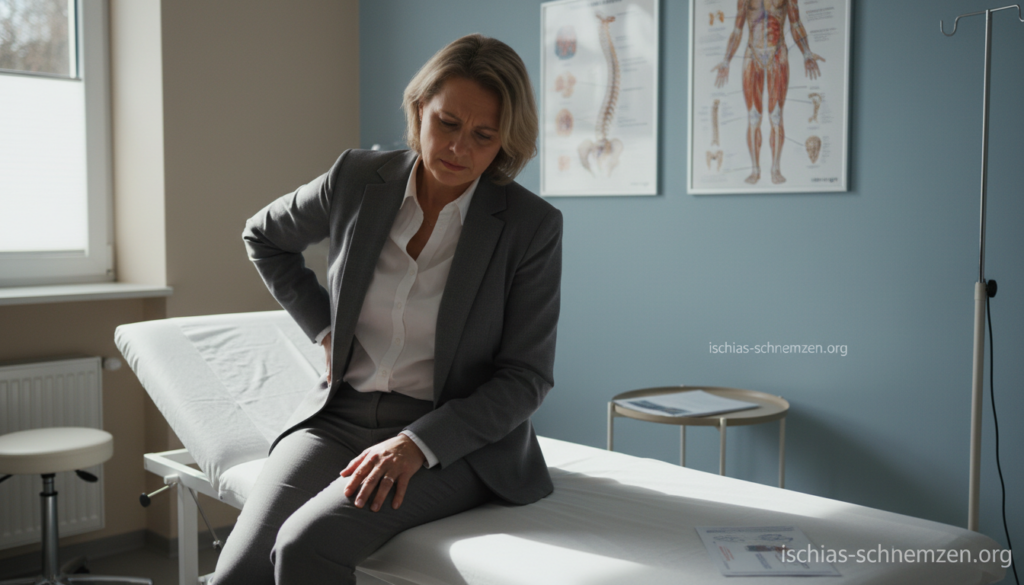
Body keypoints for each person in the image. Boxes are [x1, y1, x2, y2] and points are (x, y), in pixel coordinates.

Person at [213, 34, 562, 584]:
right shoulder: (356, 179)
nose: (459, 148)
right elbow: (264, 236)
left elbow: (526, 377)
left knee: (305, 545)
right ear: (420, 109)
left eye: (483, 135)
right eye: (448, 122)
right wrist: (324, 329)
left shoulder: (530, 226)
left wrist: (417, 445)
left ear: (505, 142)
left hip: (450, 441)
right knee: (239, 572)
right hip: (339, 418)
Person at [712, 0, 824, 184]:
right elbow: (737, 29)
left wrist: (806, 53)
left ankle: (775, 169)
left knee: (776, 116)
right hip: (752, 52)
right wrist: (726, 60)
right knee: (753, 117)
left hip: (778, 52)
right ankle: (755, 169)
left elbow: (796, 23)